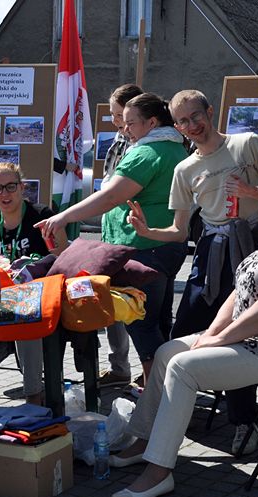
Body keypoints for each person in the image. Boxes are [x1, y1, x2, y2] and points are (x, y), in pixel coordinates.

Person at [109, 145, 258, 497]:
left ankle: (158, 471)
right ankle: (145, 439)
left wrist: (217, 341)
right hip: (252, 339)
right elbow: (241, 289)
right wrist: (212, 334)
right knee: (167, 351)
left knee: (184, 366)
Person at [126, 89, 258, 454]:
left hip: (253, 248)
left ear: (210, 111)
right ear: (176, 126)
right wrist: (146, 231)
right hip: (210, 254)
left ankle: (244, 423)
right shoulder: (185, 169)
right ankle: (167, 417)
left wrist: (251, 190)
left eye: (196, 116)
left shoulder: (246, 144)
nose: (192, 125)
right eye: (183, 121)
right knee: (180, 338)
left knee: (238, 337)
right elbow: (179, 231)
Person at [36, 93, 189, 383]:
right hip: (164, 247)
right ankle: (164, 387)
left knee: (141, 322)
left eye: (130, 122)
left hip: (143, 249)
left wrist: (64, 216)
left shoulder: (147, 153)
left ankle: (157, 392)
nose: (124, 128)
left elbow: (110, 197)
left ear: (152, 123)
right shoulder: (175, 149)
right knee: (157, 322)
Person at [0, 162, 68, 406]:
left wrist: (55, 238)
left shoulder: (41, 215)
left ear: (22, 187)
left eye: (11, 186)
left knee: (25, 312)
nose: (5, 194)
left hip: (36, 295)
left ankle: (33, 392)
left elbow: (62, 255)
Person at [97, 83, 144, 389]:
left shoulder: (143, 145)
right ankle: (119, 366)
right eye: (114, 116)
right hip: (111, 229)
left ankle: (149, 366)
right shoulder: (118, 140)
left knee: (135, 304)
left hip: (132, 233)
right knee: (111, 300)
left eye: (120, 115)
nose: (116, 122)